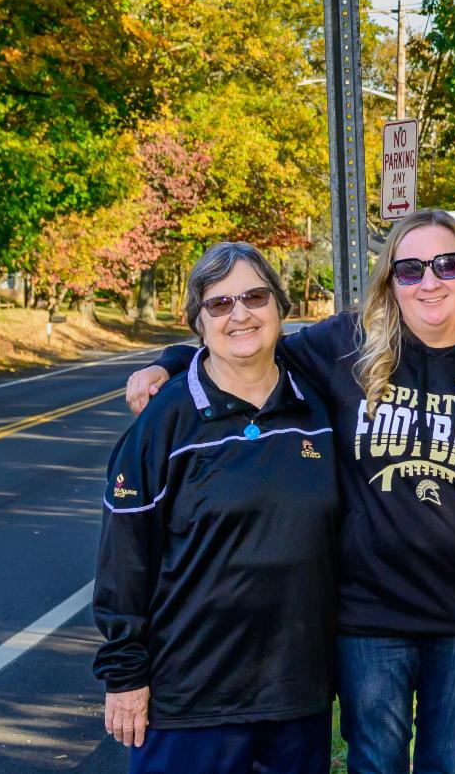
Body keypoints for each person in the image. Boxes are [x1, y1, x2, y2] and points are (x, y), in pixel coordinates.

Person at [125, 209, 455, 774]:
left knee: (453, 761)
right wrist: (170, 361)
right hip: (369, 611)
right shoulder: (348, 345)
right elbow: (249, 341)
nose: (430, 280)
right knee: (375, 761)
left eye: (446, 263)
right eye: (410, 268)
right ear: (390, 282)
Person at [93, 242, 340, 773]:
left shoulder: (320, 404)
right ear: (198, 323)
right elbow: (124, 560)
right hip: (189, 700)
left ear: (280, 306)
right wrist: (125, 676)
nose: (241, 313)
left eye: (254, 296)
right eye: (219, 304)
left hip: (297, 696)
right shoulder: (166, 420)